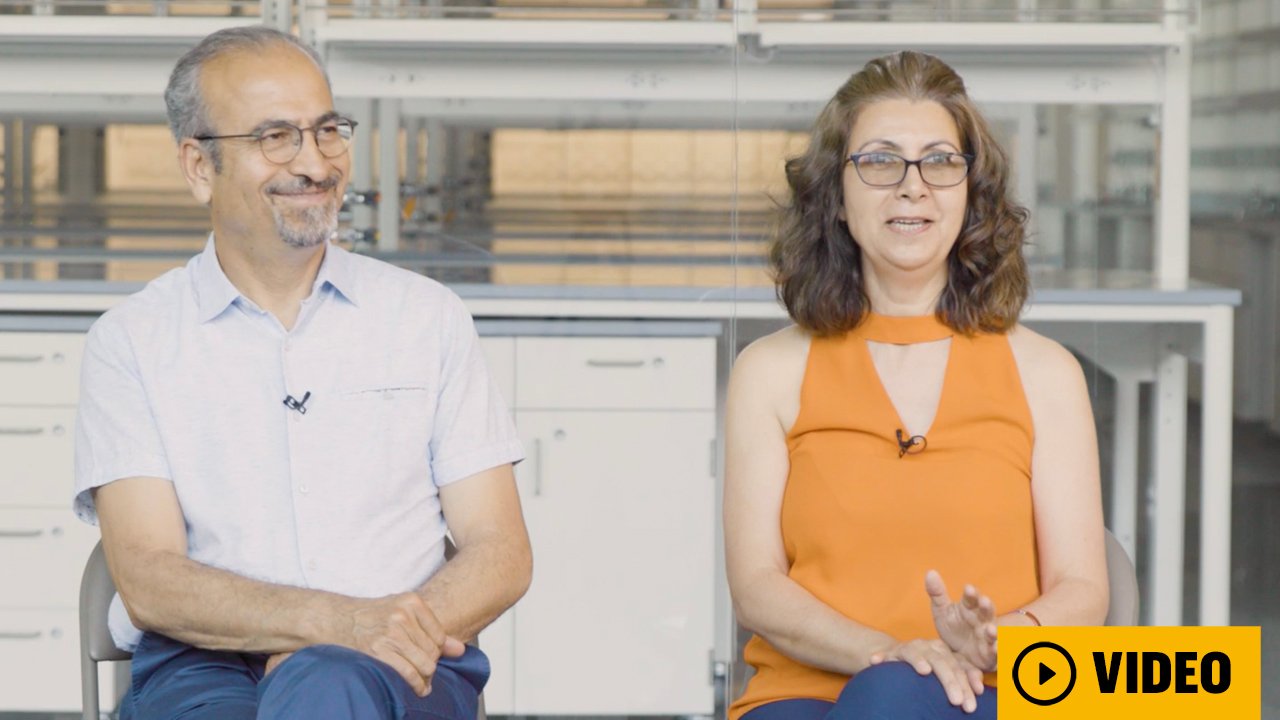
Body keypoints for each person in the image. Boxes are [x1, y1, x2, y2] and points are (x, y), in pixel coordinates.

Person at [73, 26, 532, 720]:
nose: (315, 163)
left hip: (401, 665)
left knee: (328, 687)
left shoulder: (425, 318)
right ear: (199, 166)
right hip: (201, 666)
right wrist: (332, 624)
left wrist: (376, 638)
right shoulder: (132, 341)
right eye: (276, 137)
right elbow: (149, 581)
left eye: (327, 131)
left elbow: (500, 551)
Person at [724, 50, 1108, 719]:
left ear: (971, 192)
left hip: (992, 689)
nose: (913, 186)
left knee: (895, 695)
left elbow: (1083, 589)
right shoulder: (768, 372)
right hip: (805, 689)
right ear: (835, 196)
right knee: (890, 690)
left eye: (940, 161)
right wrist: (891, 651)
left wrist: (996, 641)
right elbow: (756, 587)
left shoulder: (1046, 373)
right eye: (880, 161)